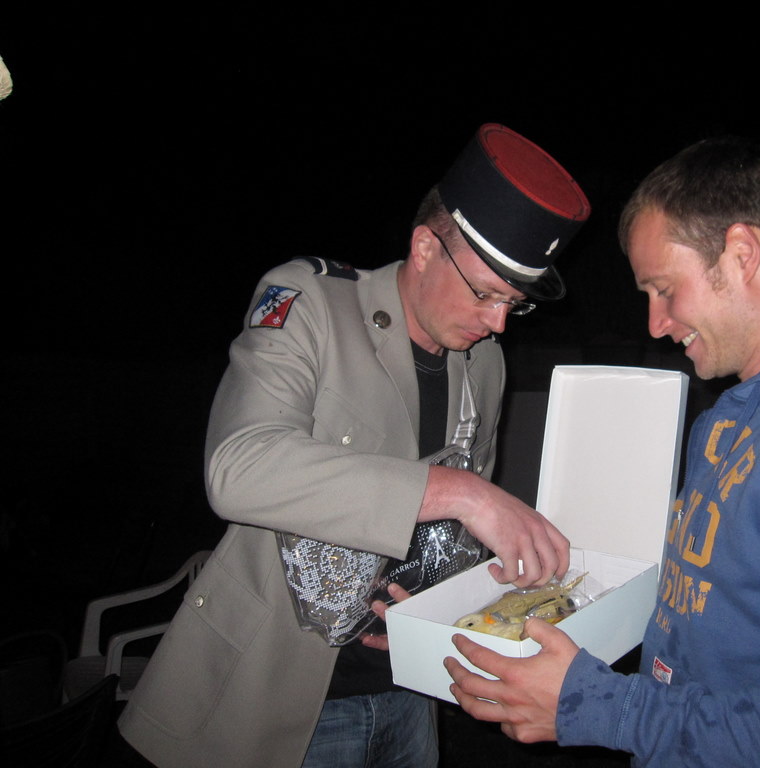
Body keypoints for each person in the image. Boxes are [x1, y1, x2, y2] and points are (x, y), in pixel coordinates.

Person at [445, 136, 760, 767]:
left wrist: (602, 708)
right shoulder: (727, 421)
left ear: (741, 255)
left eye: (663, 289)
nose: (655, 324)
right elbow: (704, 611)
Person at [117, 123, 591, 768]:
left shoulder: (485, 363)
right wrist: (465, 493)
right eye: (485, 293)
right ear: (425, 248)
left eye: (514, 304)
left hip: (407, 689)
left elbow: (453, 537)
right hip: (275, 691)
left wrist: (437, 611)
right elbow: (238, 466)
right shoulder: (311, 303)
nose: (497, 323)